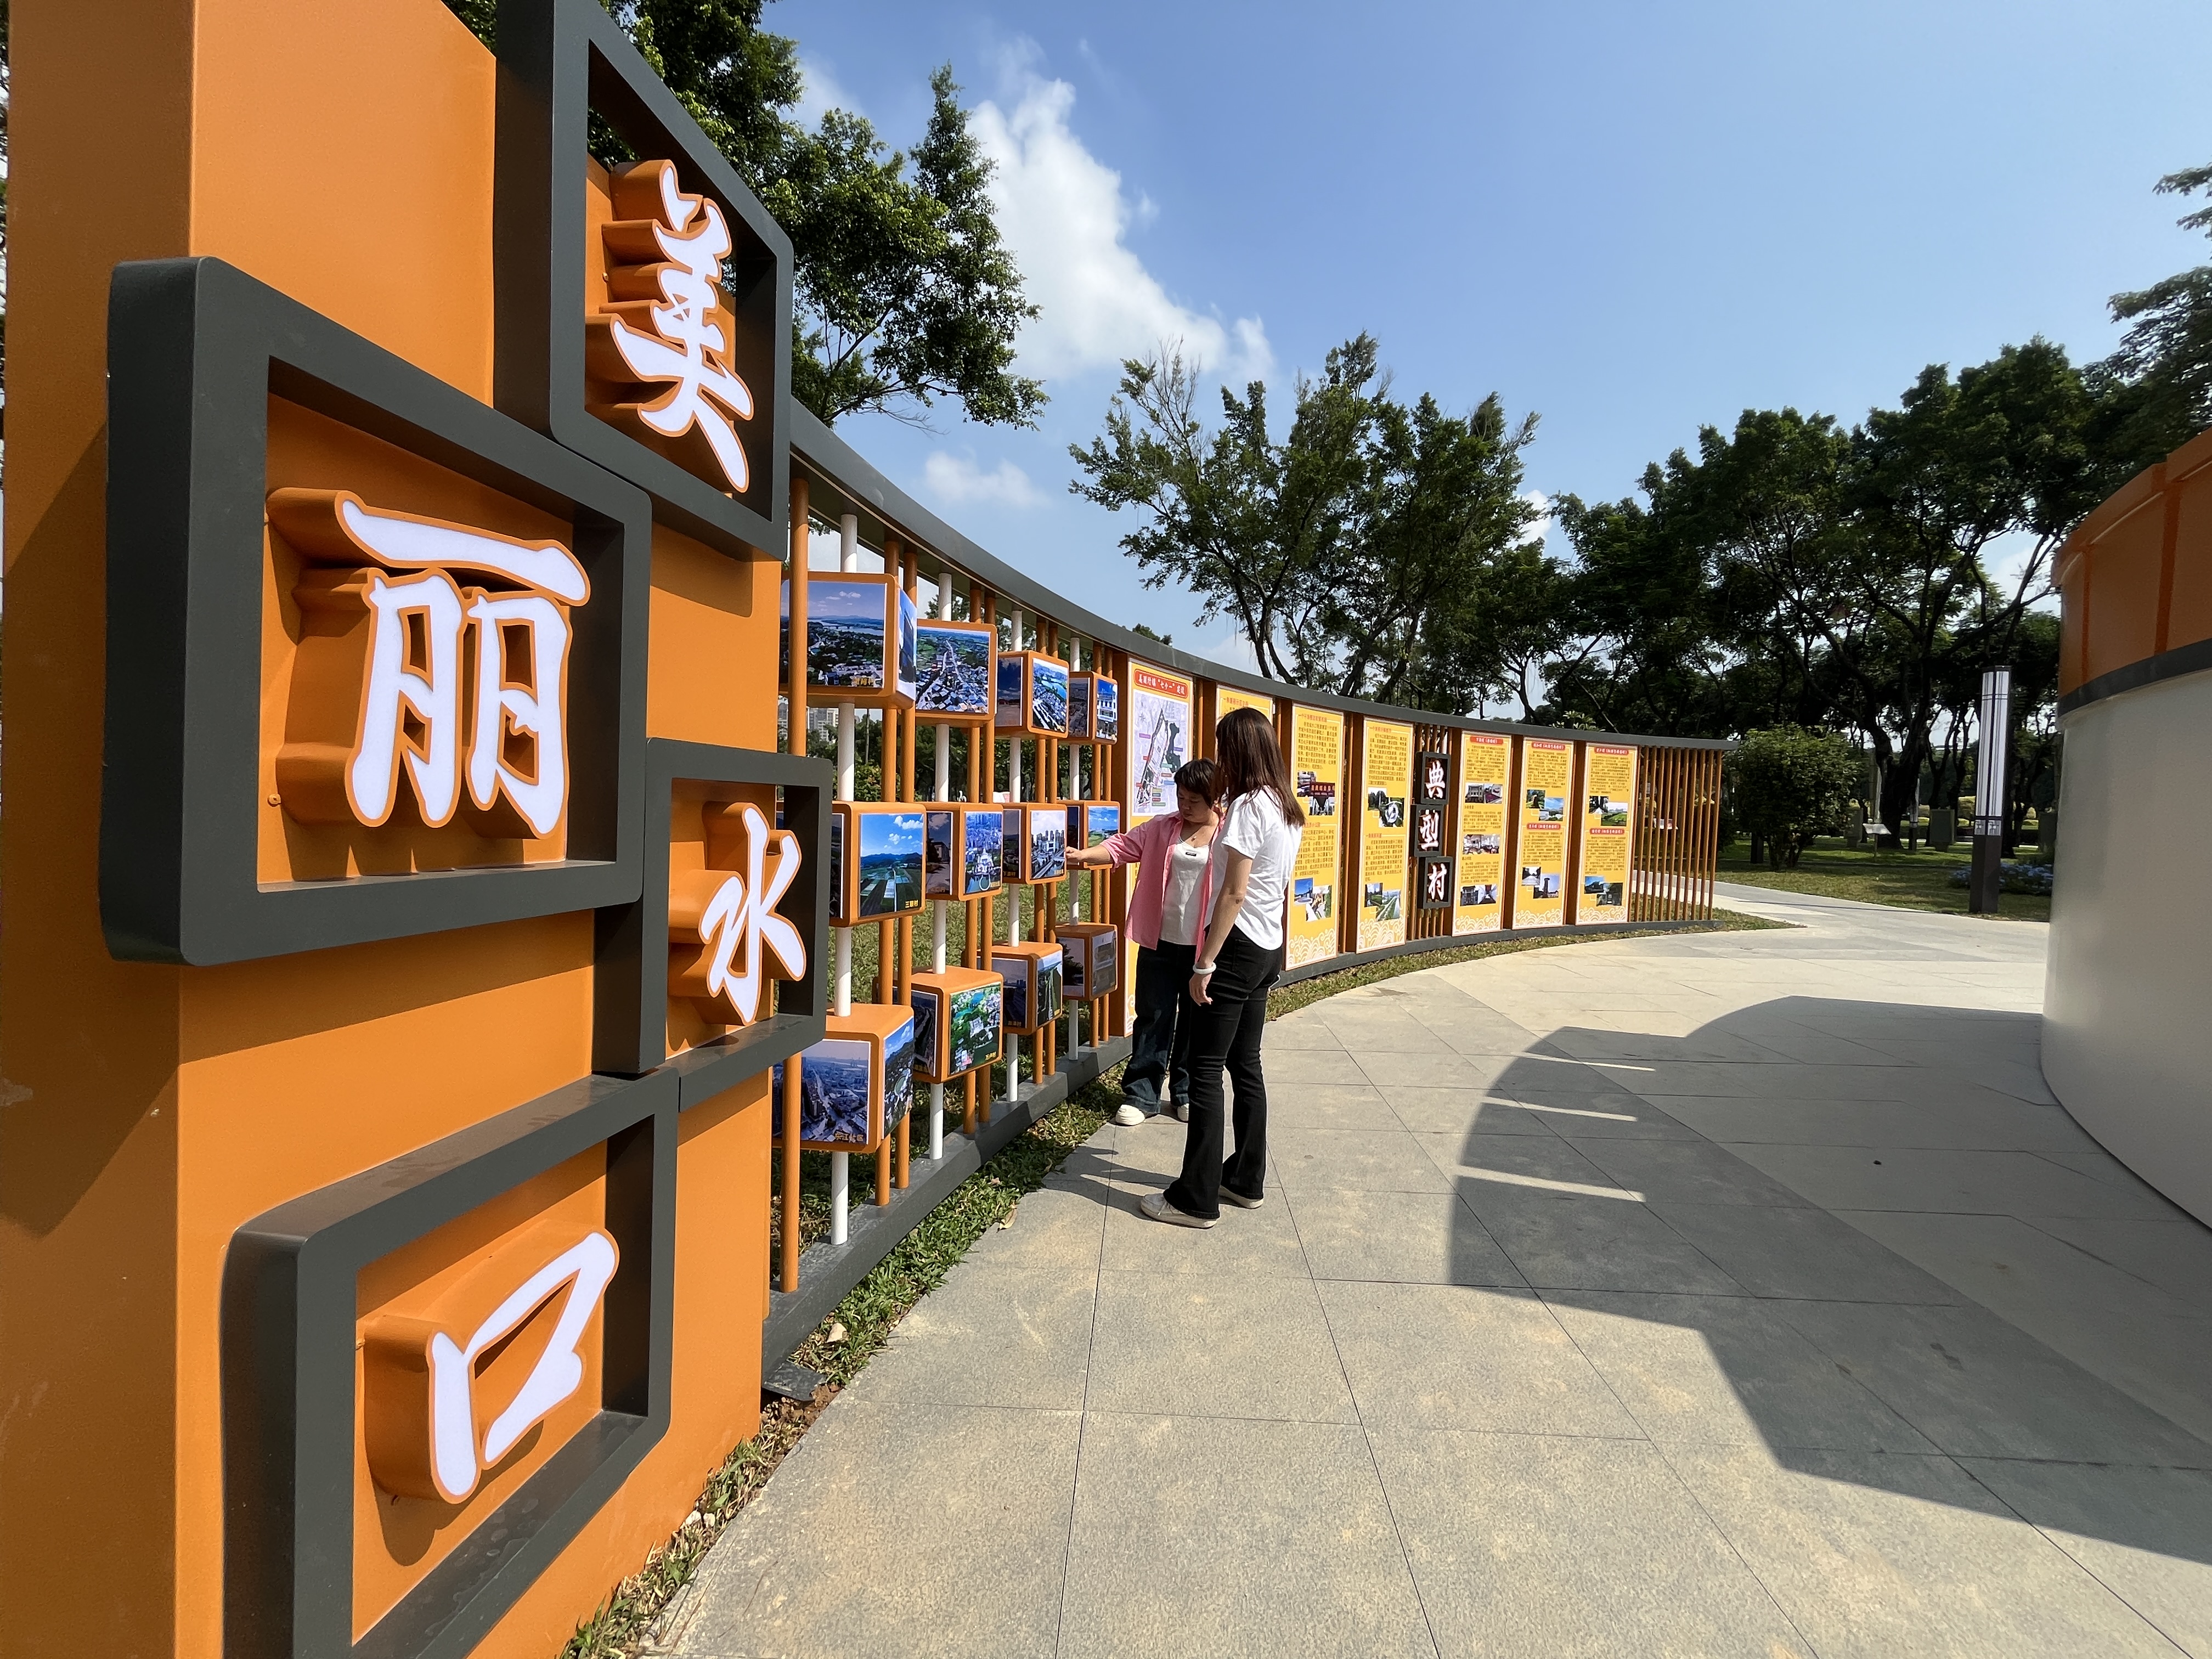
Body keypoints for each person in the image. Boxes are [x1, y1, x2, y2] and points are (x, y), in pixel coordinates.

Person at [1142, 709, 1304, 1228]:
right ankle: (1245, 1179)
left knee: (1207, 1070)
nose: (1219, 759)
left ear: (1237, 751)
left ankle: (1195, 1198)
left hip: (1235, 949)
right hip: (1267, 947)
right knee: (1246, 1064)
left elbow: (1233, 893)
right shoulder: (1286, 806)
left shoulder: (1248, 808)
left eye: (1222, 748)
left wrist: (1205, 962)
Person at [1065, 758, 1221, 1127]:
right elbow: (1122, 846)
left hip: (1205, 946)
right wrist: (1084, 855)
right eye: (1181, 797)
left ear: (1214, 799)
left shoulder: (1230, 832)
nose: (1185, 806)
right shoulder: (1162, 827)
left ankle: (1185, 1092)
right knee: (1153, 1015)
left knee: (1196, 1021)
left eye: (1194, 800)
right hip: (1159, 941)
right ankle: (1142, 1094)